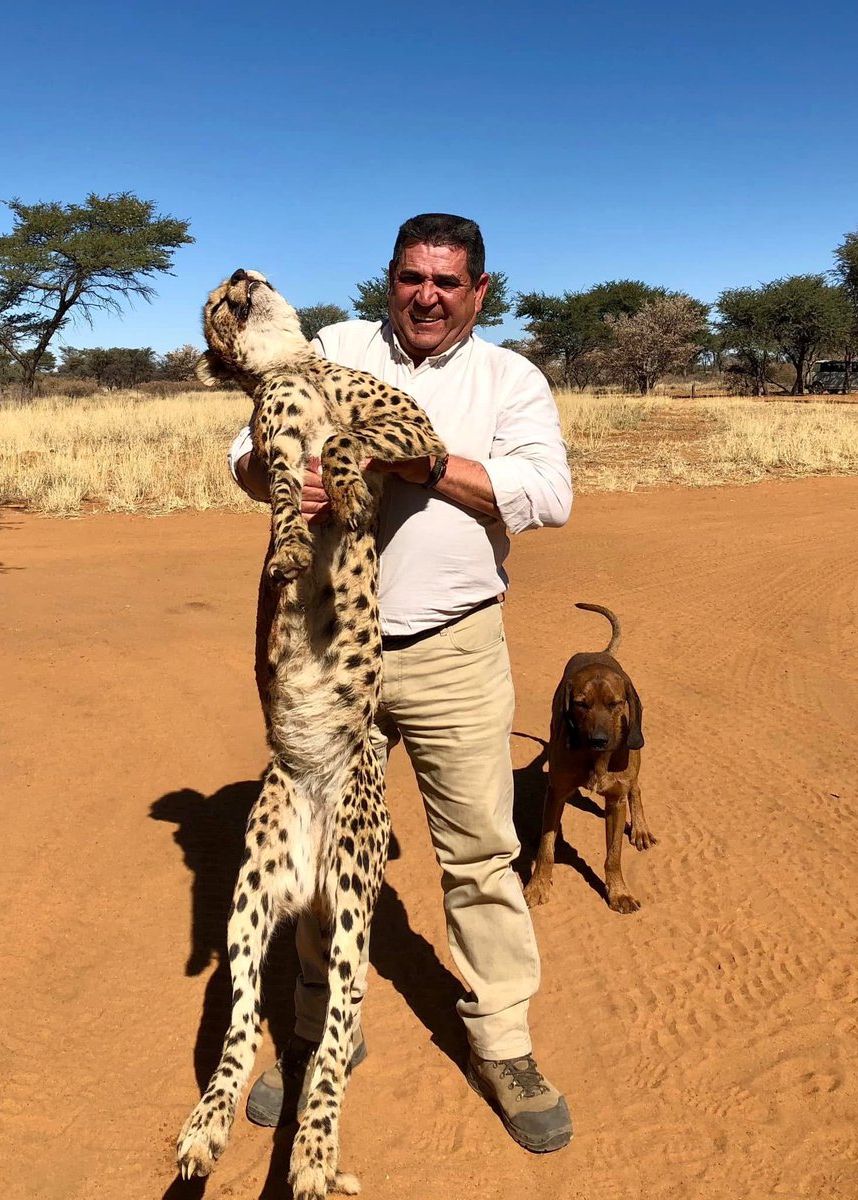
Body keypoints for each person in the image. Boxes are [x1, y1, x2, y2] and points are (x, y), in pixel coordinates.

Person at [227, 213, 574, 1153]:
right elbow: (242, 454)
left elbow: (546, 495)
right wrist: (276, 473)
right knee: (316, 847)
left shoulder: (510, 378)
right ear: (390, 278)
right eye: (412, 277)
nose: (427, 296)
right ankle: (318, 1031)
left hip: (453, 651)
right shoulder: (334, 346)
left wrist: (417, 461)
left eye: (448, 283)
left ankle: (503, 1042)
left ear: (480, 292)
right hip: (330, 646)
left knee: (479, 849)